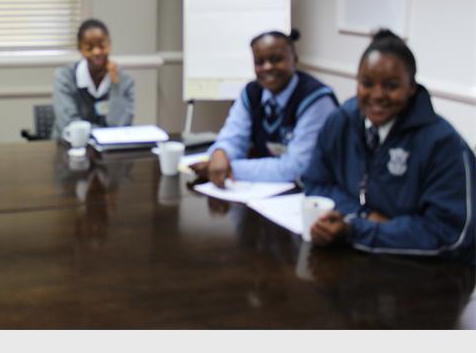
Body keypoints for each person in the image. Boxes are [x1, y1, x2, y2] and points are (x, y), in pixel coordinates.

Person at [303, 29, 475, 262]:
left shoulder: (443, 144)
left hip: (429, 271)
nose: (377, 95)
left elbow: (449, 233)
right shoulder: (341, 121)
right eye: (367, 83)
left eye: (391, 86)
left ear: (411, 87)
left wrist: (357, 230)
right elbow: (316, 181)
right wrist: (363, 216)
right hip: (357, 259)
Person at [191, 30, 338, 187]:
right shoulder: (252, 92)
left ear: (295, 60)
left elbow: (297, 168)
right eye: (259, 62)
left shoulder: (316, 100)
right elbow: (234, 136)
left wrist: (230, 168)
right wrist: (221, 153)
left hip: (315, 191)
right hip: (268, 190)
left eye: (276, 59)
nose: (267, 67)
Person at [52, 18, 135, 141]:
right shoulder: (65, 77)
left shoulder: (124, 80)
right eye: (89, 47)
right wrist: (105, 133)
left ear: (109, 45)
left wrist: (115, 85)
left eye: (102, 45)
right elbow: (69, 124)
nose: (97, 52)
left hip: (111, 148)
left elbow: (121, 125)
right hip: (70, 146)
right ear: (80, 49)